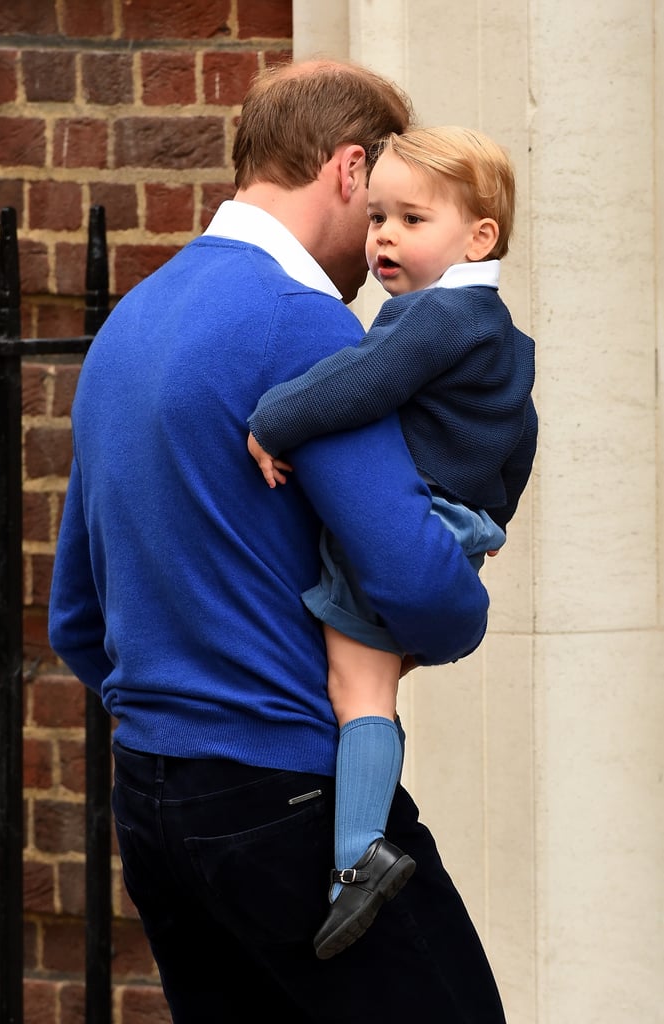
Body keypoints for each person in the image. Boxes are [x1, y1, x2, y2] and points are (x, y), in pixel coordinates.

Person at [49, 61, 507, 1023]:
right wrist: (463, 602)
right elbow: (418, 587)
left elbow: (77, 620)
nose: (385, 236)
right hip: (290, 801)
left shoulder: (131, 319)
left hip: (153, 801)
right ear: (348, 170)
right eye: (381, 203)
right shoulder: (307, 331)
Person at [248, 125, 537, 957]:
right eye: (376, 216)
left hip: (421, 520)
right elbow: (520, 438)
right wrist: (491, 526)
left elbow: (357, 382)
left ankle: (354, 858)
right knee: (374, 682)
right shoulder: (501, 334)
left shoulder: (433, 318)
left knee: (356, 687)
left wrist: (272, 422)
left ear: (478, 236)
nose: (381, 237)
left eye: (411, 219)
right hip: (461, 523)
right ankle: (359, 846)